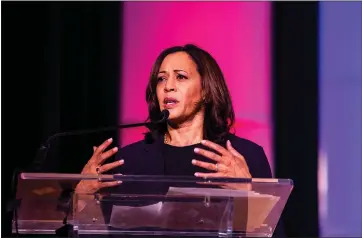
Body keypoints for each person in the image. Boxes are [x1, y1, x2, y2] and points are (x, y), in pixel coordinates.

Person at [75, 44, 284, 237]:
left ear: (205, 91)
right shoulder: (126, 162)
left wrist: (247, 194)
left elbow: (273, 234)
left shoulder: (243, 156)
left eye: (181, 77)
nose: (168, 87)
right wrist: (82, 197)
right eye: (161, 79)